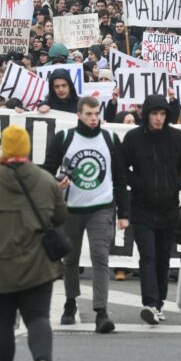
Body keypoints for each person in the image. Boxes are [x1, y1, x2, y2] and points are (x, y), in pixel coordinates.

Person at [0, 125, 66, 361]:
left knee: (2, 322)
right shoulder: (46, 181)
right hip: (37, 263)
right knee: (38, 317)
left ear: (3, 148)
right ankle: (43, 360)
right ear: (27, 147)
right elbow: (61, 216)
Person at [42, 95, 126, 333]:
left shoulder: (110, 139)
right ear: (78, 114)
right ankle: (70, 303)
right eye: (88, 114)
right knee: (71, 259)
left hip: (102, 206)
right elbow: (47, 171)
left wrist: (124, 212)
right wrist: (57, 181)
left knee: (100, 256)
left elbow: (120, 178)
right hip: (71, 208)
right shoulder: (64, 138)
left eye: (96, 113)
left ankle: (101, 311)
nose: (93, 118)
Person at [119, 94, 181, 326]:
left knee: (162, 258)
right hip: (142, 208)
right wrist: (138, 184)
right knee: (147, 255)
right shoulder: (133, 138)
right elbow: (121, 166)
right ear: (147, 114)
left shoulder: (177, 137)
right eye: (154, 114)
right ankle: (149, 303)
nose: (158, 118)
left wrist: (176, 184)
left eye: (162, 114)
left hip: (168, 207)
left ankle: (159, 303)